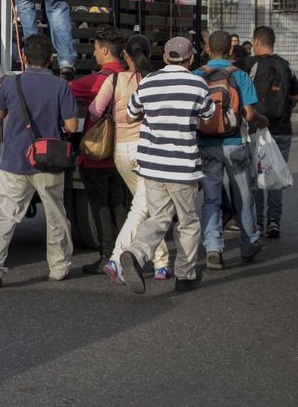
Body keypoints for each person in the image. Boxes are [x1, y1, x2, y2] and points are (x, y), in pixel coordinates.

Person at [119, 37, 216, 294]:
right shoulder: (198, 83)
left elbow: (130, 114)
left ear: (164, 58)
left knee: (158, 217)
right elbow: (208, 116)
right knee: (187, 221)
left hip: (152, 165)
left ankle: (135, 254)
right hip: (183, 166)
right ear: (191, 58)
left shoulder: (149, 82)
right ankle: (185, 275)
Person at [0, 35, 79, 287]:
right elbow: (71, 125)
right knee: (55, 215)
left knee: (5, 217)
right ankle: (58, 268)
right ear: (51, 59)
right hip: (48, 162)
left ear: (24, 58)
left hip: (14, 161)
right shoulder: (61, 86)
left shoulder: (10, 83)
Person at [88, 34, 172, 283]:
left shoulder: (113, 79)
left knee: (147, 205)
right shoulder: (153, 80)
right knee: (144, 207)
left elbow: (94, 111)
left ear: (125, 55)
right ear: (150, 52)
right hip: (147, 150)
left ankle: (160, 264)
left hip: (120, 152)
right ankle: (118, 259)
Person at [193, 30, 268, 270]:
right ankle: (249, 242)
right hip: (235, 142)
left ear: (207, 49)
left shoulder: (196, 76)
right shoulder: (240, 76)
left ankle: (213, 246)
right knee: (243, 195)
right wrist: (261, 120)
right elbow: (249, 114)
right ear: (230, 51)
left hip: (205, 144)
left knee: (211, 198)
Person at [69, 27, 128, 275]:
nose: (94, 53)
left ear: (104, 50)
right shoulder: (132, 76)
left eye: (95, 49)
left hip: (98, 154)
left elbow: (65, 90)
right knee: (121, 204)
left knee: (100, 205)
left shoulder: (98, 79)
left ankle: (106, 255)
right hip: (124, 152)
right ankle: (124, 253)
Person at [244, 26, 298, 237]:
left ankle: (258, 222)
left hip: (256, 130)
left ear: (256, 42)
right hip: (283, 130)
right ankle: (274, 221)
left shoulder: (250, 64)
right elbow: (295, 97)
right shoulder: (286, 65)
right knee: (276, 175)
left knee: (257, 177)